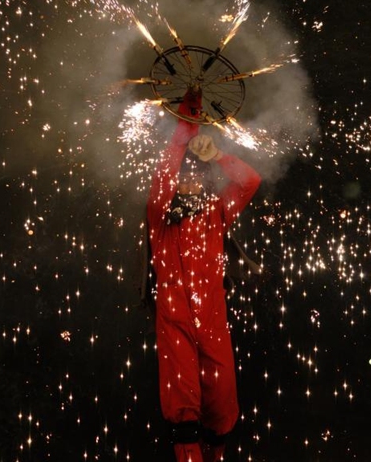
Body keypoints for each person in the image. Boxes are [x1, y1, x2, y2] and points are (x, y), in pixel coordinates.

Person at [146, 86, 261, 462]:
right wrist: (186, 124)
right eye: (184, 178)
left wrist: (218, 155)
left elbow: (250, 182)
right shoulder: (160, 220)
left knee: (222, 403)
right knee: (183, 409)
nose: (189, 182)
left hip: (212, 319)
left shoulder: (216, 213)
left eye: (196, 176)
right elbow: (164, 174)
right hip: (175, 320)